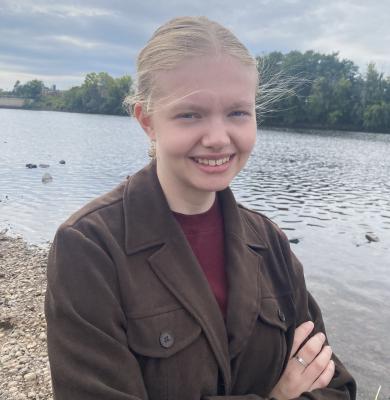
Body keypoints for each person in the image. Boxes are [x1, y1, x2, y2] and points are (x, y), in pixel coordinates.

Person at [45, 16, 356, 400]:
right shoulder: (90, 248)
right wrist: (277, 397)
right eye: (190, 114)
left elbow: (336, 387)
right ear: (147, 121)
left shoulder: (270, 243)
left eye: (238, 113)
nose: (217, 138)